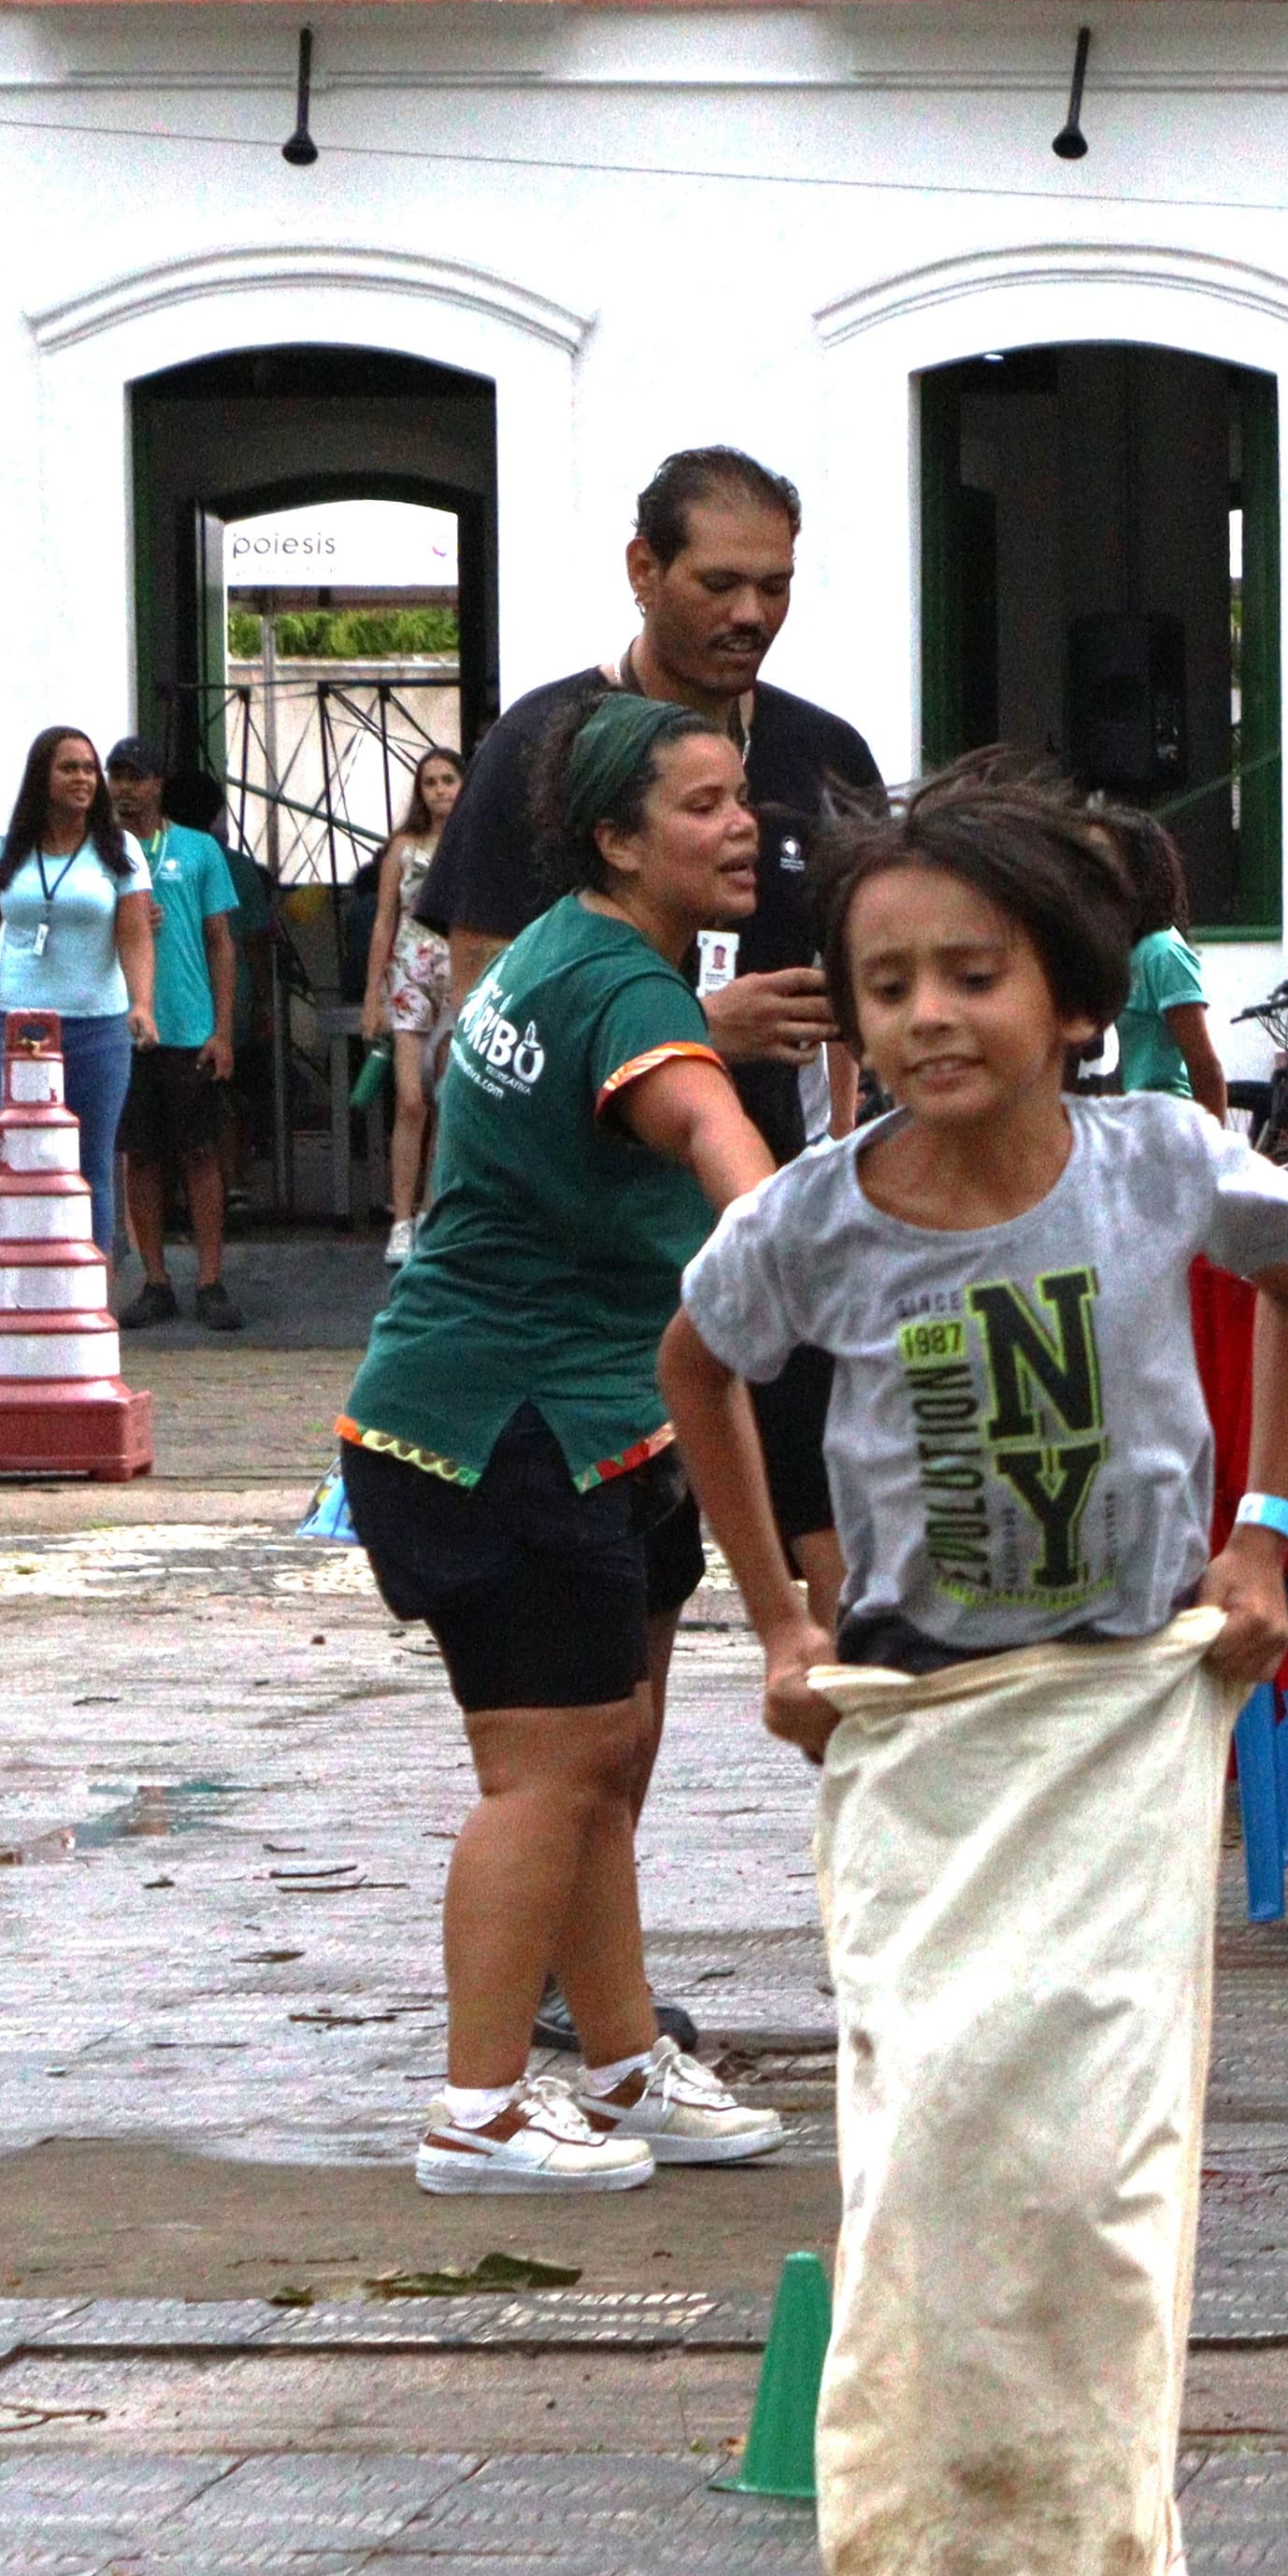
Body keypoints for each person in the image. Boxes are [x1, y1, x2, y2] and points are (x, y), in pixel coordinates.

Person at [661, 753, 1288, 2576]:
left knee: (1101, 2187)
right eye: (887, 984)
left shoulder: (1154, 1162)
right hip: (926, 1736)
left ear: (1067, 996)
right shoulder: (816, 1225)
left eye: (975, 973)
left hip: (1126, 1716)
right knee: (930, 2174)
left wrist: (1267, 1533)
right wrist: (775, 1615)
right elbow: (700, 1366)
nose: (931, 1015)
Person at [339, 694, 788, 2197]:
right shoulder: (633, 1002)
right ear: (617, 837)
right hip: (497, 1427)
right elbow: (740, 1179)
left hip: (579, 1418)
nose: (744, 828)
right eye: (706, 806)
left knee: (607, 1753)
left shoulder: (562, 951)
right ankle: (477, 2107)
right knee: (548, 1773)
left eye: (743, 798)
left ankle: (618, 2056)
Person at [416, 445, 879, 1739]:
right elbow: (484, 1013)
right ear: (642, 570)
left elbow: (889, 968)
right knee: (619, 1681)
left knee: (858, 1625)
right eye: (719, 582)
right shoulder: (541, 751)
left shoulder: (820, 754)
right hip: (603, 1276)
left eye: (775, 586)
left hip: (773, 1232)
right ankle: (593, 1925)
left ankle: (896, 1920)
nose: (750, 615)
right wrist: (693, 1027)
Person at [0, 727, 157, 1259]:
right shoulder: (5, 854)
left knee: (90, 1164)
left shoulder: (121, 851)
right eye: (69, 768)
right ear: (41, 779)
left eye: (89, 769)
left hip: (97, 1028)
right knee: (21, 1157)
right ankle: (23, 1282)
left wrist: (142, 1003)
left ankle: (90, 1298)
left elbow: (136, 935)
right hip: (19, 1029)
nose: (83, 779)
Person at [102, 742, 245, 1334]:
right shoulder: (98, 853)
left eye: (136, 777)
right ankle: (155, 1280)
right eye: (118, 777)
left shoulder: (199, 849)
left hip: (188, 1025)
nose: (125, 788)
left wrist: (224, 1029)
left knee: (201, 1152)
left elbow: (220, 941)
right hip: (126, 1027)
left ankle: (210, 1280)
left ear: (159, 784)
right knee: (140, 1157)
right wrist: (124, 919)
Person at [361, 746, 465, 1265]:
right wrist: (371, 994)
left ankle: (430, 1212)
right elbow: (384, 919)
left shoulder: (474, 846)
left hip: (458, 977)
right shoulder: (403, 847)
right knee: (410, 1100)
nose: (441, 790)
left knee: (450, 1097)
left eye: (449, 779)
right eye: (430, 782)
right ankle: (400, 1219)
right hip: (408, 972)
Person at [1093, 801, 1226, 1120]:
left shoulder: (1162, 953)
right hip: (1130, 1123)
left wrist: (1210, 1153)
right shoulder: (1122, 950)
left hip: (1168, 1124)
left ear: (1139, 873)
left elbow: (1204, 1067)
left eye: (1104, 859)